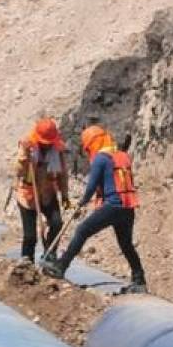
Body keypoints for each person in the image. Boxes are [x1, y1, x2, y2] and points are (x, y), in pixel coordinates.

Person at [41, 125, 147, 294]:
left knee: (82, 230)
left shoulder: (101, 158)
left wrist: (82, 202)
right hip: (127, 207)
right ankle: (139, 279)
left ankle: (61, 266)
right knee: (126, 244)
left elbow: (91, 186)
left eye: (88, 147)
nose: (88, 151)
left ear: (93, 144)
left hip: (113, 205)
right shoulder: (122, 156)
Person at [15, 118, 72, 263]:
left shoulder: (57, 150)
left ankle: (50, 254)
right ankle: (26, 263)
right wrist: (25, 158)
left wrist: (65, 195)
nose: (46, 146)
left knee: (57, 223)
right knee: (30, 236)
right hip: (28, 195)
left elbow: (62, 174)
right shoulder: (28, 145)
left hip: (48, 194)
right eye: (44, 143)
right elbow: (18, 172)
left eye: (49, 143)